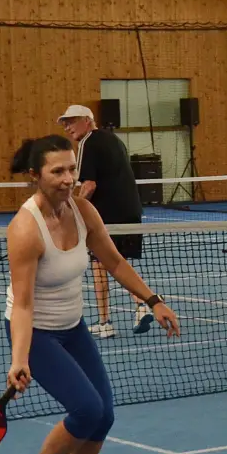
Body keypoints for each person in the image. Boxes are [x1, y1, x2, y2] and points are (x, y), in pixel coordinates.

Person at [4, 134, 179, 454]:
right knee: (86, 410)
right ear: (35, 175)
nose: (68, 178)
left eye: (71, 169)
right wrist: (20, 358)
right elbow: (24, 305)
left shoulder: (84, 211)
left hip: (72, 326)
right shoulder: (25, 230)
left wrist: (154, 301)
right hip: (38, 332)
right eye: (57, 171)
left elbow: (114, 262)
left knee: (103, 418)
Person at [58, 104, 151, 338]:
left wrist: (71, 210)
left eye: (72, 121)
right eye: (65, 123)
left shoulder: (88, 142)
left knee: (101, 265)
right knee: (115, 262)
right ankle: (141, 305)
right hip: (130, 211)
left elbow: (89, 185)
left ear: (87, 121)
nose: (67, 127)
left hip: (107, 215)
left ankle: (105, 322)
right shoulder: (114, 141)